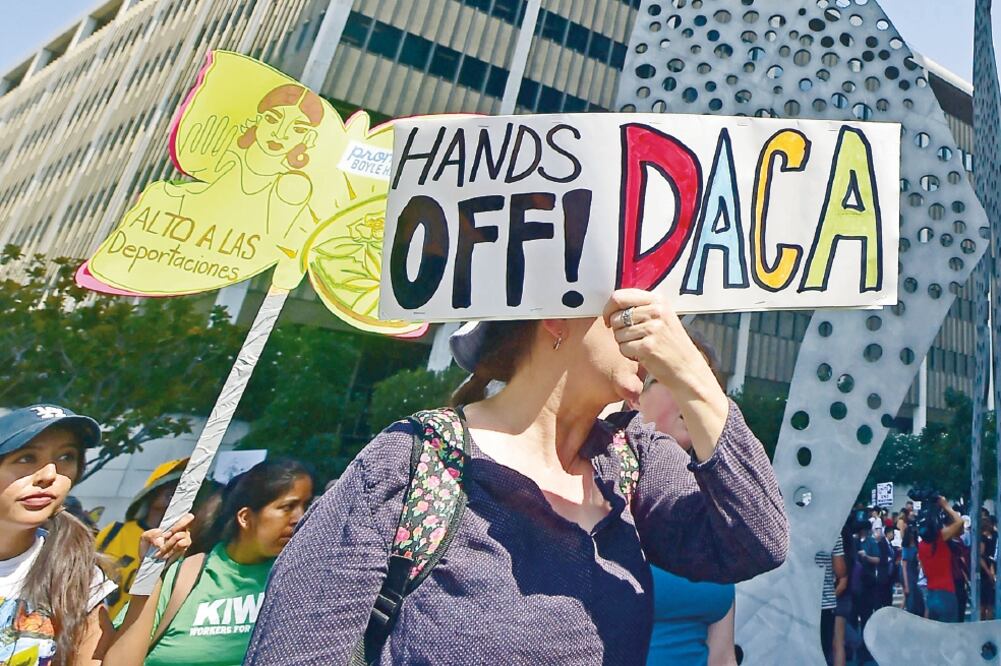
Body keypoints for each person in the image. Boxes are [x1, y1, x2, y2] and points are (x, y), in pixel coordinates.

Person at [244, 290, 788, 665]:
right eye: (629, 305)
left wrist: (691, 370)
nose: (657, 326)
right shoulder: (413, 459)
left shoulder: (631, 458)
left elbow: (754, 542)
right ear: (559, 316)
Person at [0, 405, 188, 666]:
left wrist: (151, 574)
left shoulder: (72, 573)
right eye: (26, 458)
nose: (49, 475)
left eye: (66, 457)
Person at [104, 458, 314, 666]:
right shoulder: (181, 577)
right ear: (245, 518)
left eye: (306, 505)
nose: (300, 517)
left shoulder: (301, 584)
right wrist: (150, 574)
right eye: (288, 507)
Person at [635, 332, 736, 666]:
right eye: (677, 375)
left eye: (704, 383)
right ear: (632, 392)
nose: (694, 391)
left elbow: (721, 655)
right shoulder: (595, 489)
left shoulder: (714, 504)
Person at [97, 458, 188, 619]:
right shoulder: (115, 531)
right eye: (171, 484)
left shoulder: (181, 544)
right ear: (152, 493)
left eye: (182, 486)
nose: (177, 491)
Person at [916, 496, 964, 622]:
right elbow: (959, 522)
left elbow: (924, 570)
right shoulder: (940, 539)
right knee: (950, 634)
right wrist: (945, 505)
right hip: (946, 593)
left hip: (931, 594)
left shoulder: (921, 546)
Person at [817, 536, 847, 666]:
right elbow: (840, 570)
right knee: (822, 651)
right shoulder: (833, 532)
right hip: (824, 603)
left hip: (797, 601)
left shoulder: (794, 525)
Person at [900, 509, 924, 616]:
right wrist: (906, 585)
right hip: (909, 575)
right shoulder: (906, 549)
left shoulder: (917, 547)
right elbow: (904, 568)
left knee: (919, 601)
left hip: (916, 575)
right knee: (911, 602)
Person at [980, 513, 997, 620]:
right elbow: (980, 556)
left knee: (991, 603)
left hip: (993, 568)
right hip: (985, 573)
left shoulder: (995, 536)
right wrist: (988, 571)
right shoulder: (981, 538)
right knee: (984, 604)